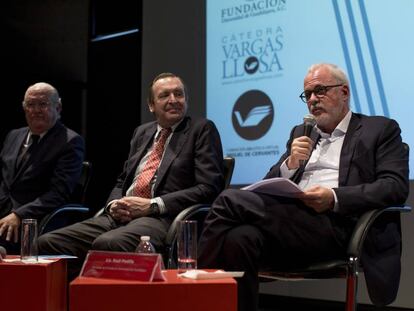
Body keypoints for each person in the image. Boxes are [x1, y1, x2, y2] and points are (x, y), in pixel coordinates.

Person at [198, 63, 409, 311]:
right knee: (239, 239)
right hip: (292, 224)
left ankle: (192, 288)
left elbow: (394, 186)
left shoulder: (379, 129)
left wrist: (333, 197)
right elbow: (268, 181)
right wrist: (290, 163)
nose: (312, 100)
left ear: (344, 92)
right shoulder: (302, 132)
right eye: (307, 95)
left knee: (228, 200)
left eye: (319, 91)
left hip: (339, 226)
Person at [38, 72, 224, 278]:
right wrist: (114, 204)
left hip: (162, 218)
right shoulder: (142, 133)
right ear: (151, 105)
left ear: (186, 100)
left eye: (178, 94)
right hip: (121, 216)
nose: (173, 100)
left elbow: (208, 187)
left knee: (107, 243)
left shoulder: (201, 129)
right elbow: (122, 180)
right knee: (48, 243)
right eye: (165, 95)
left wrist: (153, 204)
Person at [0, 82, 85, 253]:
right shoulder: (13, 136)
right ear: (24, 108)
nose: (36, 110)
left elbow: (58, 193)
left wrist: (19, 215)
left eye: (43, 104)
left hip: (33, 221)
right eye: (31, 105)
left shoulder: (69, 141)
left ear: (58, 108)